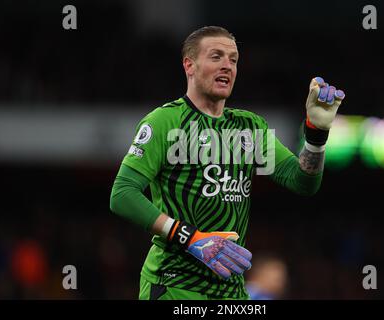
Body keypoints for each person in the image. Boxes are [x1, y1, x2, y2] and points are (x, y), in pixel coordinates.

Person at [109, 26, 345, 300]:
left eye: (233, 60)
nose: (227, 66)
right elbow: (122, 194)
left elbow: (303, 182)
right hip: (174, 286)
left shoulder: (249, 127)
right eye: (216, 57)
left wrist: (315, 134)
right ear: (190, 65)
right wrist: (191, 237)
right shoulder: (164, 123)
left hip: (231, 291)